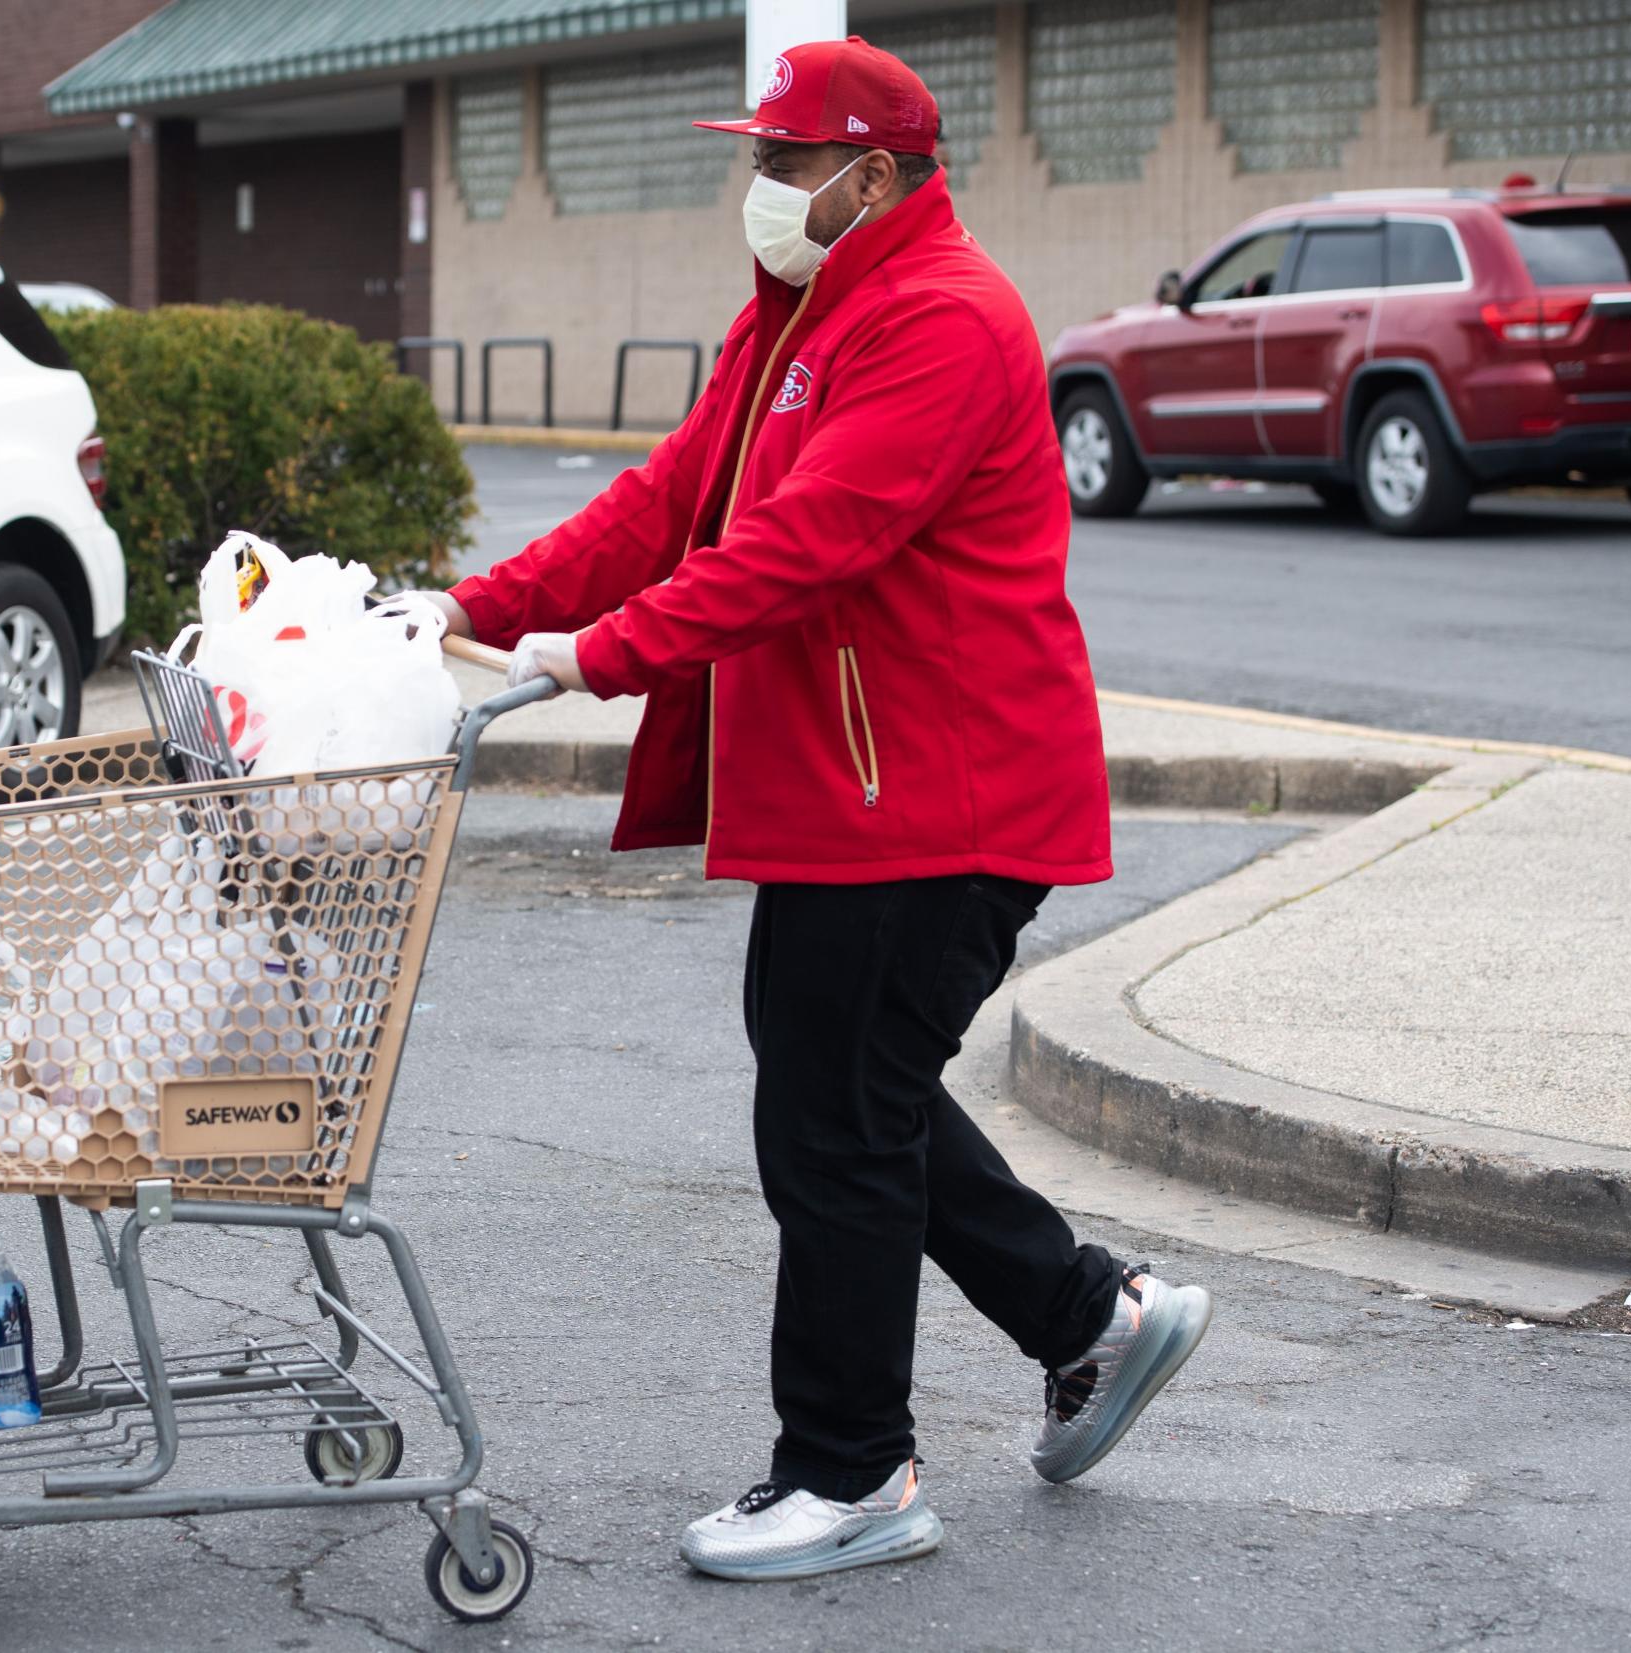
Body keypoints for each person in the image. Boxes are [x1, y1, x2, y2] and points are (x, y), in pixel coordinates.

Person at [406, 37, 1212, 1582]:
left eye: (785, 163)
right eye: (757, 160)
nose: (760, 188)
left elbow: (807, 540)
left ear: (874, 175)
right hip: (864, 795)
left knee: (832, 1118)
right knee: (847, 1091)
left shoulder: (943, 320)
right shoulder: (797, 315)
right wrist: (472, 607)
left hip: (943, 796)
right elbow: (669, 506)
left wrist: (602, 656)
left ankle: (853, 1471)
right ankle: (1087, 1316)